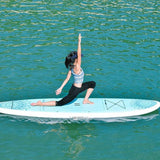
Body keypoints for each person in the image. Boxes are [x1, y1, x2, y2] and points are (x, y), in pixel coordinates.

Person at [31, 34, 96, 106]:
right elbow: (79, 53)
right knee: (60, 103)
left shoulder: (71, 67)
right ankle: (40, 104)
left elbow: (67, 79)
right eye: (77, 57)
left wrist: (60, 88)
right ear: (76, 59)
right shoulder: (77, 66)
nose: (79, 57)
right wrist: (79, 42)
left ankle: (86, 100)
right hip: (75, 90)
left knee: (92, 83)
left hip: (76, 87)